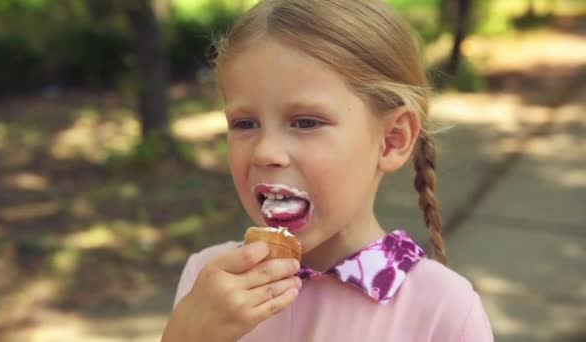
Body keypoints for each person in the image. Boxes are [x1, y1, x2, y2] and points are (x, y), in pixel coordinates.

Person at [162, 0, 494, 341]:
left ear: (392, 140)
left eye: (306, 122)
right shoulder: (210, 282)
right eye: (245, 123)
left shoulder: (443, 310)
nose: (265, 152)